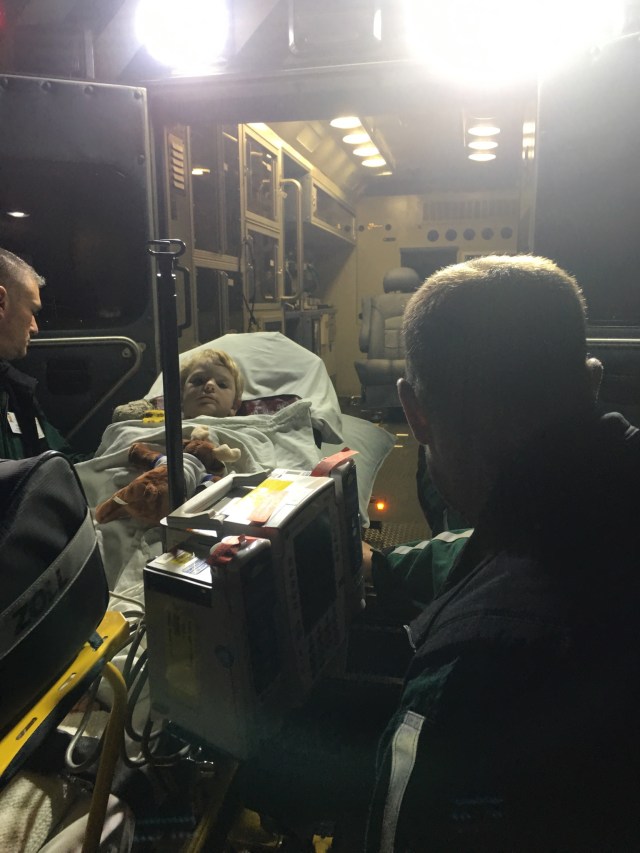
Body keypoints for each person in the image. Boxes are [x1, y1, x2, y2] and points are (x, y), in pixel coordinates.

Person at [365, 255, 640, 851]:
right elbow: (516, 548)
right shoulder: (610, 490)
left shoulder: (472, 673)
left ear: (414, 414)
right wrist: (385, 566)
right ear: (591, 381)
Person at [0, 248, 75, 459]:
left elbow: (59, 461)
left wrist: (126, 457)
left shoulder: (13, 388)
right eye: (32, 311)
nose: (35, 328)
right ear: (0, 302)